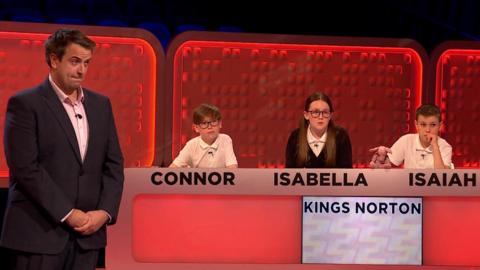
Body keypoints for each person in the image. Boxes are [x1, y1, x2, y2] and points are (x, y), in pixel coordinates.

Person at [1, 28, 124, 270]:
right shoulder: (25, 104)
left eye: (87, 63)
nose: (82, 70)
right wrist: (69, 213)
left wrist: (105, 212)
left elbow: (113, 164)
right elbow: (26, 169)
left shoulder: (101, 105)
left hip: (88, 237)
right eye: (75, 61)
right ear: (54, 60)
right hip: (39, 235)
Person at [369, 104, 453, 169]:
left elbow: (442, 177)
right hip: (409, 191)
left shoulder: (445, 146)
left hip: (434, 191)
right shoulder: (406, 140)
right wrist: (380, 158)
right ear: (416, 125)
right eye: (423, 124)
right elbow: (387, 163)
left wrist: (435, 146)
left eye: (433, 125)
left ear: (440, 125)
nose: (428, 129)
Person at [285, 92, 352, 168]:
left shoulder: (340, 136)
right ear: (306, 115)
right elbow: (289, 174)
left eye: (325, 112)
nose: (320, 117)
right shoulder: (295, 137)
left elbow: (347, 174)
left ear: (330, 115)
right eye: (315, 112)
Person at [169, 103, 238, 168]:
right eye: (204, 123)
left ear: (220, 124)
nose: (210, 127)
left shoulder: (225, 139)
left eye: (213, 122)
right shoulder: (192, 145)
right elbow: (172, 168)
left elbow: (232, 168)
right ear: (196, 128)